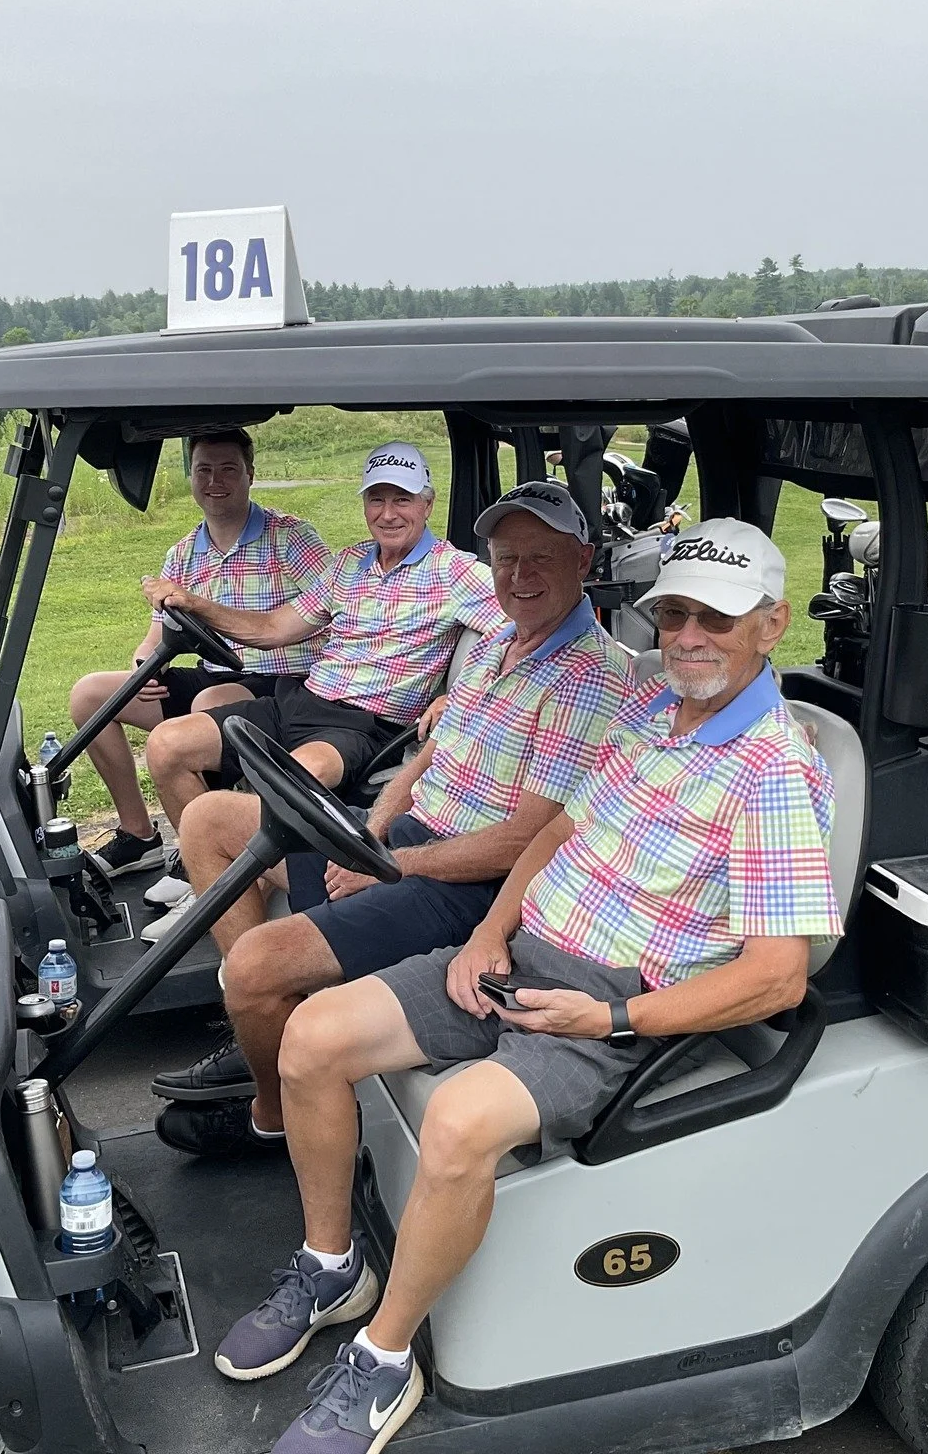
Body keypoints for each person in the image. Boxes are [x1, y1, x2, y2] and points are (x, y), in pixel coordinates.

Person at [213, 518, 841, 1454]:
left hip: (610, 1016)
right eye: (674, 615)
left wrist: (614, 1012)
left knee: (459, 1122)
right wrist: (490, 935)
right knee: (311, 1037)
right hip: (522, 963)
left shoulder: (777, 773)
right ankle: (331, 1263)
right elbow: (554, 834)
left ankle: (385, 1363)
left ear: (771, 624)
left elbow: (777, 975)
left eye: (715, 617)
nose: (688, 636)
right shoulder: (650, 714)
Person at [153, 481, 632, 1156]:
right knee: (208, 820)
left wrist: (389, 865)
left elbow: (526, 840)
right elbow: (431, 754)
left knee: (257, 963)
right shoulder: (503, 643)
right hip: (410, 843)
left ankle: (272, 1114)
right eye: (505, 559)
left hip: (468, 884)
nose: (519, 575)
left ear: (583, 561)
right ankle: (266, 1024)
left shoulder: (590, 676)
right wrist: (371, 831)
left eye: (541, 557)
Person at [137, 442, 505, 937]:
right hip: (298, 700)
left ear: (427, 503)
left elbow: (520, 628)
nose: (389, 513)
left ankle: (228, 905)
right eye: (377, 499)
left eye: (403, 499)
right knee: (167, 746)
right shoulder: (349, 564)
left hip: (362, 726)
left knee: (289, 780)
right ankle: (216, 889)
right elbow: (271, 628)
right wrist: (197, 605)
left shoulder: (455, 571)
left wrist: (459, 695)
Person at [66, 428, 329, 878]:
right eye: (203, 470)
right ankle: (139, 835)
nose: (215, 481)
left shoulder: (291, 539)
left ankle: (208, 851)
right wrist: (142, 666)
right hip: (214, 674)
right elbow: (155, 636)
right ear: (190, 476)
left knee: (208, 703)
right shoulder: (184, 553)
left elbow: (335, 609)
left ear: (250, 473)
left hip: (283, 684)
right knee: (91, 695)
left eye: (228, 469)